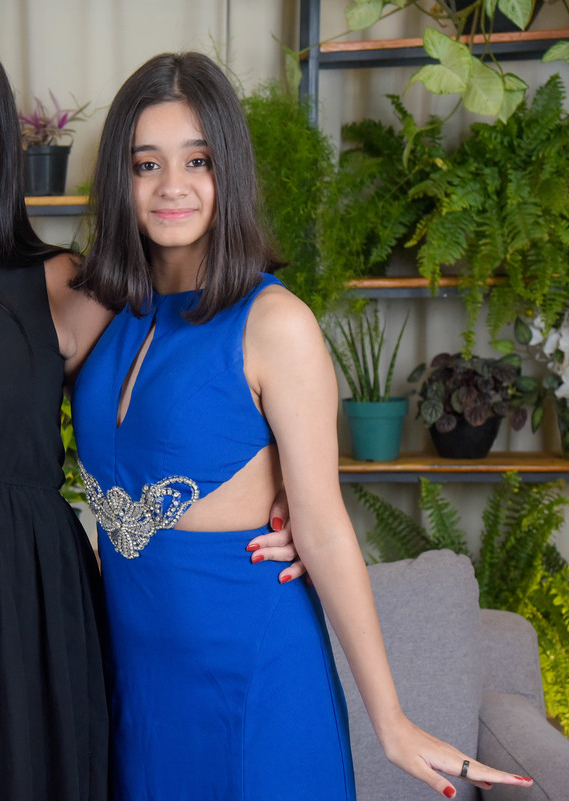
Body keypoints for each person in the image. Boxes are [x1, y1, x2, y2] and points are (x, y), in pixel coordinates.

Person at [0, 26, 302, 801]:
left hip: (27, 611)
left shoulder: (64, 285)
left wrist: (286, 489)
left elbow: (172, 393)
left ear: (0, 145)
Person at [71, 51, 535, 801]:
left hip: (252, 679)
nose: (171, 186)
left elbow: (321, 527)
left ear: (230, 171)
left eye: (198, 160)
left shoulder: (274, 321)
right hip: (137, 689)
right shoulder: (104, 312)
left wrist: (391, 720)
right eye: (145, 164)